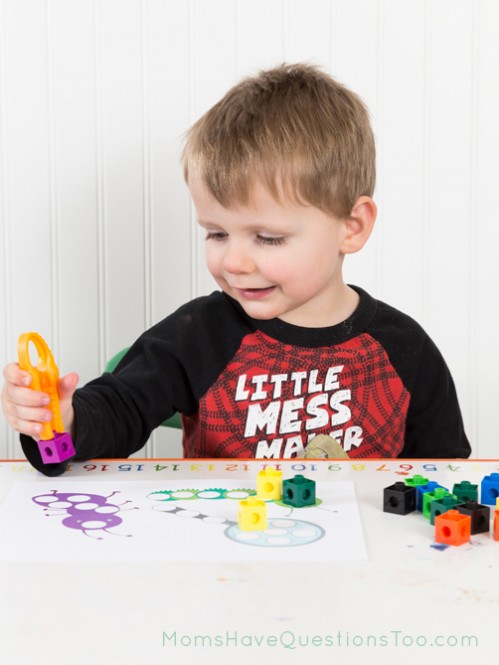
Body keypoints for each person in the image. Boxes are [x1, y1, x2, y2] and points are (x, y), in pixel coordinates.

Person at [1, 63, 471, 476]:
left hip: (366, 571)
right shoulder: (197, 336)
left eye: (268, 238)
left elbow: (445, 473)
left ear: (351, 227)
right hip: (226, 562)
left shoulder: (404, 350)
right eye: (216, 233)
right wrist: (64, 422)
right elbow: (118, 409)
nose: (233, 262)